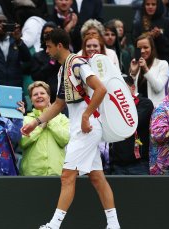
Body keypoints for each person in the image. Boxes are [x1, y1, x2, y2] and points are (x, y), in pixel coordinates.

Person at [21, 28, 120, 229]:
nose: (46, 51)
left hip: (87, 128)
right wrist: (36, 122)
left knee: (67, 176)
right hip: (81, 128)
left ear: (59, 45)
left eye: (48, 47)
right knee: (96, 177)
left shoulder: (77, 63)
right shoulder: (61, 70)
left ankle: (54, 226)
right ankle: (114, 225)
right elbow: (58, 104)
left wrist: (86, 116)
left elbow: (100, 89)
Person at [19, 81, 69, 176]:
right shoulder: (25, 119)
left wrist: (48, 119)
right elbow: (23, 142)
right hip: (32, 174)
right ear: (31, 100)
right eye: (35, 95)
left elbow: (65, 139)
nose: (39, 96)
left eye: (42, 93)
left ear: (49, 97)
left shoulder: (62, 118)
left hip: (57, 173)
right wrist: (40, 126)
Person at [109, 75, 154, 175]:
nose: (119, 93)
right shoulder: (112, 105)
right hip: (118, 164)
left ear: (133, 88)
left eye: (122, 88)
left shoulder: (145, 103)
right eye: (116, 89)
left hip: (139, 164)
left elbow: (132, 122)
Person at [132, 0, 169, 71]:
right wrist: (148, 37)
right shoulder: (138, 24)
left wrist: (160, 36)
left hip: (164, 63)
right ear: (144, 6)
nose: (150, 7)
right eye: (147, 4)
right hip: (143, 64)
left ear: (158, 5)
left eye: (153, 4)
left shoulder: (168, 22)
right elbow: (136, 44)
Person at [129, 33, 169, 106]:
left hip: (156, 111)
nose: (142, 51)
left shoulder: (162, 64)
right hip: (138, 109)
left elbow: (158, 88)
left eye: (145, 47)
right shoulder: (135, 64)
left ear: (152, 48)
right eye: (139, 48)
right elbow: (129, 91)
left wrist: (146, 69)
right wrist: (133, 74)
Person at [31, 22, 61, 103]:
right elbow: (36, 77)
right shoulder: (37, 56)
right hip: (43, 98)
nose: (49, 36)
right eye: (46, 33)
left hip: (61, 97)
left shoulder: (63, 53)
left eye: (51, 33)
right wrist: (51, 62)